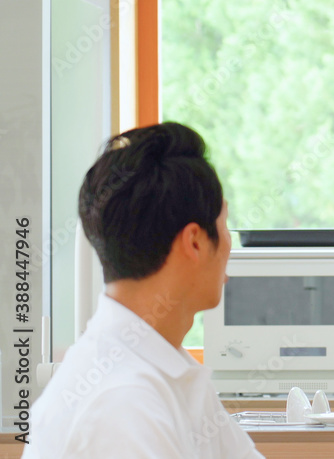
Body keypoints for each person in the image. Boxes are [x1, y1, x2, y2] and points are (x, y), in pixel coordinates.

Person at [22, 123, 263, 458]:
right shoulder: (121, 402)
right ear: (194, 241)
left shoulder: (170, 369)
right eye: (224, 226)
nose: (229, 246)